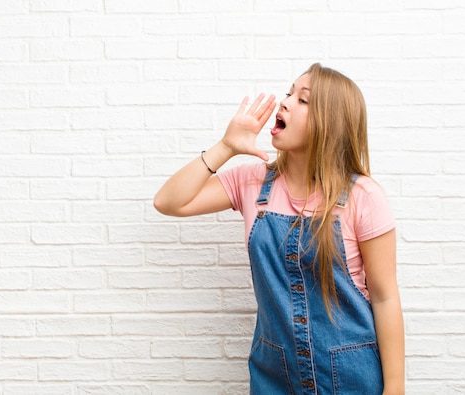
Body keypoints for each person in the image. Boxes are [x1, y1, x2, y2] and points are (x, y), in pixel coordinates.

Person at [154, 63, 404, 395]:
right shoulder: (252, 182)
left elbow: (385, 298)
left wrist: (396, 389)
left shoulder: (362, 196)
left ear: (330, 122)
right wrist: (226, 147)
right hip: (275, 376)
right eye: (289, 93)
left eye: (303, 100)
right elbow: (169, 201)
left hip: (351, 376)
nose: (284, 102)